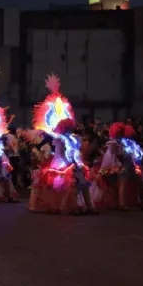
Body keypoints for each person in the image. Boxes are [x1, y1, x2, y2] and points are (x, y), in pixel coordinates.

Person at [27, 74, 96, 215]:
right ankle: (69, 206)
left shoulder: (73, 138)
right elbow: (60, 151)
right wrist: (70, 164)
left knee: (84, 184)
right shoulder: (59, 138)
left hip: (72, 164)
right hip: (60, 166)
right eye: (68, 127)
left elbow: (75, 152)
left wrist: (79, 163)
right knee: (71, 185)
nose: (71, 129)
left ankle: (89, 207)